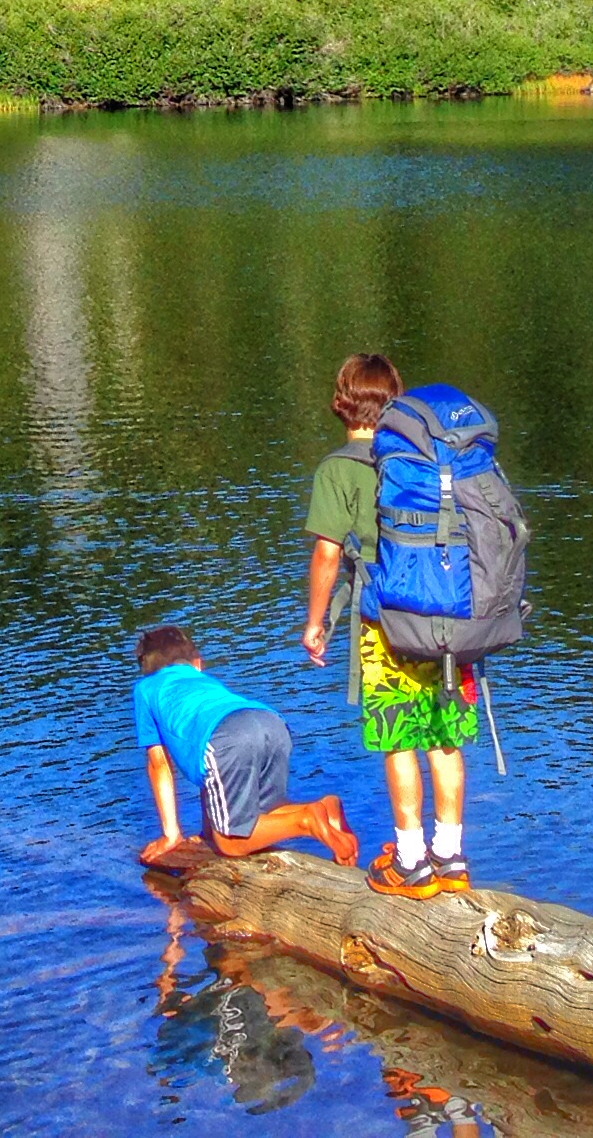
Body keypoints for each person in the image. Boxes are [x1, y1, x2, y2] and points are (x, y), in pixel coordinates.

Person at [301, 350, 478, 898]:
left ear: (340, 402)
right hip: (448, 619)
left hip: (385, 623)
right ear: (397, 401)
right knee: (444, 736)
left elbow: (327, 554)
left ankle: (410, 861)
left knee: (399, 738)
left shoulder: (338, 469)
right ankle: (450, 857)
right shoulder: (429, 460)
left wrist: (315, 623)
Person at [131, 624, 358, 867]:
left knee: (230, 843)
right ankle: (324, 808)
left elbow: (159, 765)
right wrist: (208, 833)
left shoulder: (146, 689)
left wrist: (171, 835)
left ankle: (306, 821)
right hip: (270, 722)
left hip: (226, 736)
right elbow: (212, 778)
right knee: (265, 813)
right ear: (197, 664)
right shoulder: (202, 681)